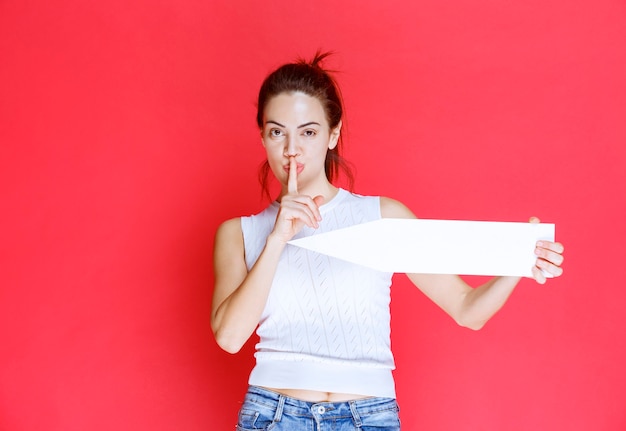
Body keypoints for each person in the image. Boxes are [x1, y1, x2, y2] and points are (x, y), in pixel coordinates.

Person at [210, 52, 565, 431]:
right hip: (274, 415)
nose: (292, 149)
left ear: (334, 134)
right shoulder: (239, 233)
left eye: (308, 132)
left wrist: (519, 262)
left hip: (368, 417)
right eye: (277, 131)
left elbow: (467, 309)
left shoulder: (383, 218)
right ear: (263, 136)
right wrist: (279, 237)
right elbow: (230, 338)